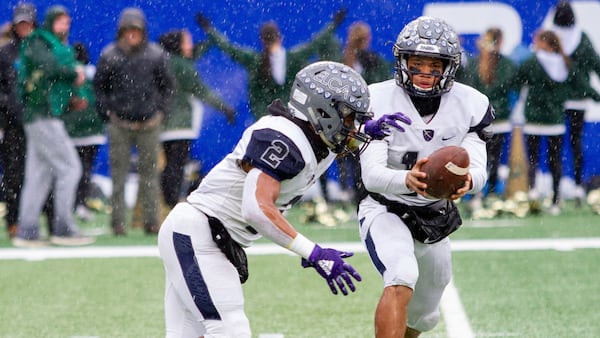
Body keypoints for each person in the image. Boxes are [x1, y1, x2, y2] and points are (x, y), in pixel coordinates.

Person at [157, 61, 409, 337]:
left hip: (207, 236)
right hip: (200, 233)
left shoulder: (317, 137)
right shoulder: (282, 138)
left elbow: (330, 147)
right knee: (231, 329)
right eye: (349, 117)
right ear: (323, 111)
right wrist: (313, 252)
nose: (354, 126)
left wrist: (367, 129)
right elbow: (256, 208)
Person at [357, 16, 492, 337]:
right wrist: (408, 180)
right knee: (401, 276)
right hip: (386, 208)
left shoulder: (471, 103)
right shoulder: (377, 99)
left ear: (450, 66)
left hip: (434, 213)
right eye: (417, 63)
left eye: (435, 66)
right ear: (401, 60)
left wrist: (466, 183)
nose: (425, 73)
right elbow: (373, 176)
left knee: (425, 314)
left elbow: (478, 170)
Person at [13, 5, 94, 247]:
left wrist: (70, 102)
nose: (64, 26)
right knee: (70, 168)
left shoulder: (55, 45)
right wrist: (73, 72)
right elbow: (49, 68)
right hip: (42, 114)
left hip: (42, 114)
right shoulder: (39, 41)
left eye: (67, 22)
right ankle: (63, 228)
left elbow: (50, 82)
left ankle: (26, 231)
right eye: (60, 22)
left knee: (39, 175)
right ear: (49, 23)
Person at [94, 7, 175, 236]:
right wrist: (107, 113)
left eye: (136, 30)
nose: (132, 35)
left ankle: (151, 221)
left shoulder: (155, 55)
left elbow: (168, 87)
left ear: (143, 32)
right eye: (128, 30)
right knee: (118, 175)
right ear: (121, 31)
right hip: (119, 124)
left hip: (149, 123)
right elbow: (99, 88)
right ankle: (118, 223)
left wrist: (160, 113)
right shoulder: (110, 55)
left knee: (150, 175)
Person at [194, 9, 347, 120]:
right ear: (279, 37)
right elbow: (315, 43)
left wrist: (209, 30)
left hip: (263, 118)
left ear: (261, 40)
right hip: (290, 117)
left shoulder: (253, 60)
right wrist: (333, 24)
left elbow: (228, 47)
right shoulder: (293, 57)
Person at [158, 29, 236, 209]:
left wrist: (210, 38)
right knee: (176, 165)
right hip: (181, 124)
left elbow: (194, 54)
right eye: (187, 42)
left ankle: (167, 200)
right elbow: (202, 90)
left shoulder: (165, 61)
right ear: (179, 45)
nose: (191, 46)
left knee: (170, 164)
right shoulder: (183, 67)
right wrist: (226, 108)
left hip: (164, 124)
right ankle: (172, 202)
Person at [512, 29, 581, 215]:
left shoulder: (531, 62)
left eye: (537, 40)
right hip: (555, 120)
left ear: (544, 42)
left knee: (533, 158)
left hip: (534, 119)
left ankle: (533, 194)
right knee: (555, 160)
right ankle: (556, 200)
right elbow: (579, 85)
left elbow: (515, 82)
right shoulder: (565, 63)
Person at [548, 0, 600, 204]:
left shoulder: (552, 38)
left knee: (556, 147)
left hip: (558, 101)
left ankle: (558, 192)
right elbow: (595, 64)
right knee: (574, 144)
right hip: (576, 99)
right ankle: (577, 186)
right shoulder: (582, 38)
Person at [460, 28, 517, 199]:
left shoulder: (505, 64)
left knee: (494, 159)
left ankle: (490, 192)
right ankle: (476, 193)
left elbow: (508, 83)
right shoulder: (475, 63)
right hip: (483, 121)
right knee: (480, 158)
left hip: (497, 120)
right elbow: (470, 87)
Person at [0, 3, 36, 239]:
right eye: (20, 24)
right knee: (14, 174)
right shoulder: (5, 54)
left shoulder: (40, 51)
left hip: (38, 123)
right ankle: (13, 221)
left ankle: (38, 223)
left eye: (27, 23)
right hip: (12, 125)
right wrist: (11, 105)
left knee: (40, 174)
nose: (23, 28)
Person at [60, 42, 107, 222]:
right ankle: (80, 203)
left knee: (72, 170)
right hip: (93, 129)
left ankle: (71, 204)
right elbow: (100, 99)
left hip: (72, 131)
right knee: (85, 169)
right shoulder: (93, 74)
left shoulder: (67, 74)